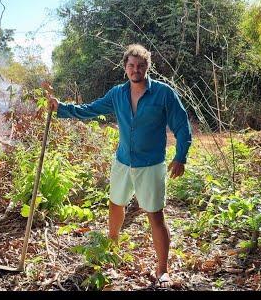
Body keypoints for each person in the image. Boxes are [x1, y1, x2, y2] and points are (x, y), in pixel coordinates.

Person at [48, 44, 192, 287]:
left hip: (151, 164)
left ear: (148, 67)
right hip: (123, 161)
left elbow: (182, 124)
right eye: (131, 66)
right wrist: (61, 108)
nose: (136, 70)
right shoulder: (117, 94)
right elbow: (90, 110)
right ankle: (112, 246)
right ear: (125, 67)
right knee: (115, 203)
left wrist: (180, 156)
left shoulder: (164, 93)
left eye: (141, 65)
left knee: (155, 215)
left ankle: (162, 269)